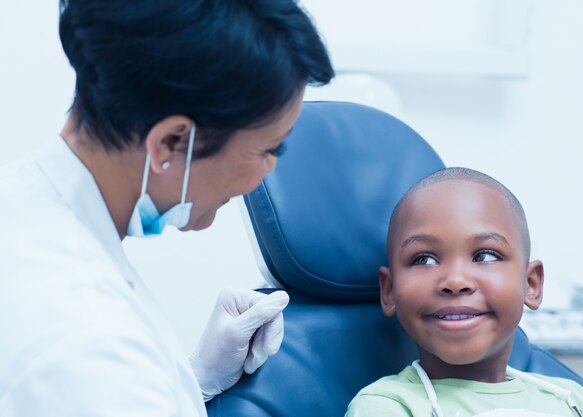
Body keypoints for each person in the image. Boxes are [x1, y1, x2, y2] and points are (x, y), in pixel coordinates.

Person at [0, 1, 333, 416]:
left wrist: (194, 380)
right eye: (266, 151)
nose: (266, 174)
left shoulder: (19, 205)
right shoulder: (88, 343)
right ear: (172, 143)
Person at [346, 167, 583, 417]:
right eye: (424, 260)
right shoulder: (386, 407)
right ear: (389, 291)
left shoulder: (571, 400)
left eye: (485, 255)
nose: (455, 281)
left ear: (530, 284)